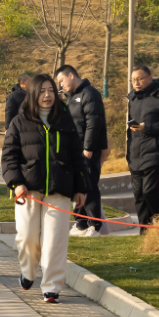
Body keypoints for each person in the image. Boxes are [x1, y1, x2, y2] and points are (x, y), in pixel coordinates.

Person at [1, 74, 88, 304]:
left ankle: (51, 288)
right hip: (28, 191)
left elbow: (78, 158)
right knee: (28, 237)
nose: (48, 95)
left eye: (51, 90)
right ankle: (28, 272)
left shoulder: (66, 121)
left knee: (55, 241)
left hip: (59, 191)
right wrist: (16, 183)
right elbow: (9, 157)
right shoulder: (19, 123)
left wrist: (81, 188)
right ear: (33, 94)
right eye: (42, 91)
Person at [55, 65, 108, 237]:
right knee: (77, 185)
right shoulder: (70, 98)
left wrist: (88, 147)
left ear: (71, 75)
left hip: (88, 150)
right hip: (74, 151)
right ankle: (81, 223)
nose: (60, 85)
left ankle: (94, 225)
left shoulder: (90, 93)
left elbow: (94, 123)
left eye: (62, 80)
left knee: (89, 184)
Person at [127, 65, 159, 231]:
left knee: (150, 191)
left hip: (156, 154)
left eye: (139, 79)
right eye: (133, 80)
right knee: (139, 196)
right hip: (135, 155)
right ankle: (145, 232)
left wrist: (147, 127)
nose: (136, 82)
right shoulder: (132, 100)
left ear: (150, 78)